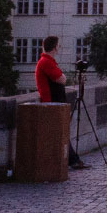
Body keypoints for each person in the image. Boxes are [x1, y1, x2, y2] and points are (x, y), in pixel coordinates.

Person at [35, 36, 88, 169]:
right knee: (60, 133)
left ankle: (72, 160)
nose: (59, 48)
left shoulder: (47, 61)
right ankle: (72, 161)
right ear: (54, 47)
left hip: (54, 103)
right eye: (58, 45)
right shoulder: (46, 62)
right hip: (52, 104)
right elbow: (61, 79)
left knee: (60, 133)